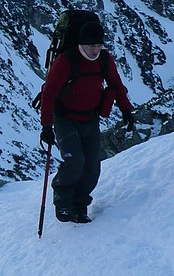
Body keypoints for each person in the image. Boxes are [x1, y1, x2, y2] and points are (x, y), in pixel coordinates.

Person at [39, 21, 135, 223]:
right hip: (65, 118)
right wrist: (47, 126)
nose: (95, 50)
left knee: (92, 166)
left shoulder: (104, 60)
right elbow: (48, 94)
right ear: (81, 44)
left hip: (90, 117)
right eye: (91, 46)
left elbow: (116, 84)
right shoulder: (67, 60)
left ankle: (79, 206)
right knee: (75, 161)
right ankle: (63, 202)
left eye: (99, 46)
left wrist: (126, 109)